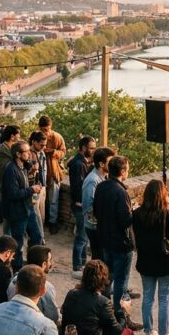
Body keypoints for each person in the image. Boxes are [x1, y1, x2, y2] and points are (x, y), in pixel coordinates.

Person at [60, 260, 146, 335]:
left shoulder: (71, 293)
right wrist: (123, 312)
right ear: (103, 280)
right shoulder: (102, 302)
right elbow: (116, 331)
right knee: (129, 333)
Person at [133, 179, 169, 335]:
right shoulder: (167, 213)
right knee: (164, 298)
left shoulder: (137, 214)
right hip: (165, 261)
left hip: (146, 260)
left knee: (147, 297)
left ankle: (148, 332)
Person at [94, 155, 136, 312]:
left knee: (107, 277)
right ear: (123, 171)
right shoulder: (120, 191)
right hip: (121, 243)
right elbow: (125, 221)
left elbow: (97, 211)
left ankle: (104, 307)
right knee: (120, 281)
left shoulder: (101, 186)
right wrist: (133, 212)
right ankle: (119, 313)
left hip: (105, 239)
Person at [2, 141, 44, 271]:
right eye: (26, 152)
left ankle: (33, 266)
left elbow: (31, 165)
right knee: (18, 244)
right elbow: (13, 194)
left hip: (27, 208)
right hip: (17, 211)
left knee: (37, 237)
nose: (29, 154)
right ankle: (17, 271)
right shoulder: (11, 170)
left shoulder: (22, 165)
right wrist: (31, 189)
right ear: (17, 154)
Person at [6, 245, 60, 326]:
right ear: (44, 264)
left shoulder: (15, 279)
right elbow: (53, 316)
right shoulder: (46, 286)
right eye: (50, 260)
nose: (51, 263)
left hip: (12, 320)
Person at [81, 146, 115, 268]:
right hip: (94, 226)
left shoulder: (104, 177)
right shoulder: (92, 180)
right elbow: (88, 207)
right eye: (110, 162)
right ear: (101, 164)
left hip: (100, 225)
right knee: (99, 258)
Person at [67, 136, 95, 275]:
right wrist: (81, 202)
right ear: (84, 148)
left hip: (80, 204)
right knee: (81, 237)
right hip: (79, 205)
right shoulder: (78, 164)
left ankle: (82, 263)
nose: (93, 150)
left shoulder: (81, 162)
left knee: (84, 237)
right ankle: (77, 266)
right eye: (91, 148)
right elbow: (78, 187)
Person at [0, 124, 21, 226]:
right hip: (1, 182)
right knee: (8, 213)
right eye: (18, 135)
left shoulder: (8, 146)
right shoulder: (5, 149)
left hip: (4, 181)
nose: (19, 137)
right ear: (12, 136)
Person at [38, 115, 66, 234]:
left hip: (54, 171)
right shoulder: (36, 137)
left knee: (53, 199)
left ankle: (53, 222)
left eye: (47, 129)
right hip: (40, 172)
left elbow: (63, 152)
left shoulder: (57, 137)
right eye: (43, 129)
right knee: (41, 200)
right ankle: (41, 222)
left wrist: (54, 152)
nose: (46, 132)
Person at [28, 130, 49, 226]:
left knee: (42, 214)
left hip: (42, 185)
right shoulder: (28, 154)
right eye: (41, 145)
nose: (43, 147)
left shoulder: (41, 152)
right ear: (33, 142)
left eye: (45, 145)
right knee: (36, 215)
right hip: (33, 187)